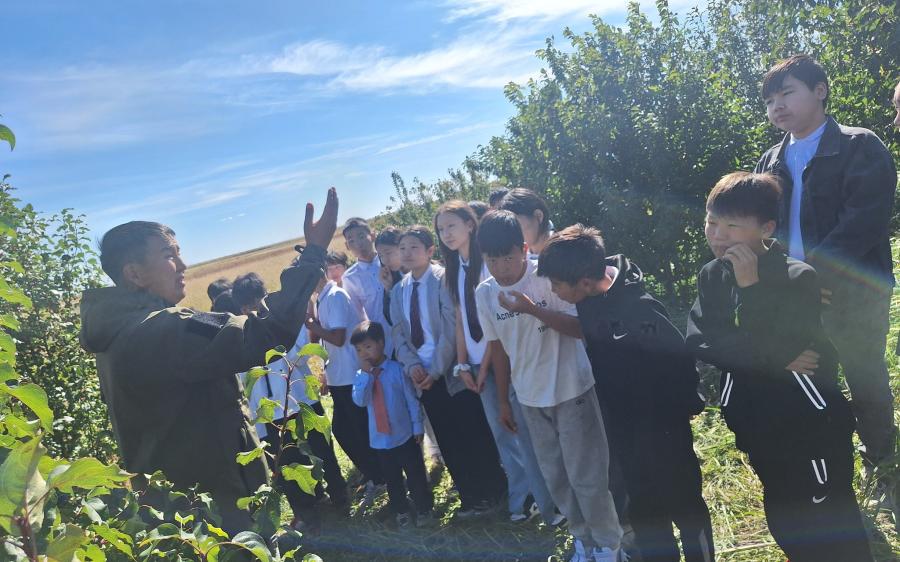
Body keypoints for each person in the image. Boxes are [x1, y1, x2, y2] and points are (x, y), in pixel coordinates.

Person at [79, 187, 338, 535]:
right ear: (134, 274)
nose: (183, 265)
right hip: (218, 514)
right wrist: (313, 254)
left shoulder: (115, 333)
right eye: (169, 255)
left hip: (179, 512)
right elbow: (265, 333)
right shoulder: (162, 329)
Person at [685, 172, 872, 561]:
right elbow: (701, 341)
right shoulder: (712, 275)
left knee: (830, 514)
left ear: (766, 228)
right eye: (711, 222)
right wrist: (769, 358)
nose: (717, 235)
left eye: (732, 226)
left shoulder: (797, 276)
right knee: (785, 515)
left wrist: (751, 289)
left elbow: (790, 345)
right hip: (755, 422)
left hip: (808, 425)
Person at [537, 224, 715, 562]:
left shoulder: (639, 309)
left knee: (685, 505)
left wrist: (684, 409)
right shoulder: (588, 300)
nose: (554, 290)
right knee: (645, 509)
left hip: (664, 428)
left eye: (557, 284)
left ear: (584, 282)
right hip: (623, 426)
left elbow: (678, 360)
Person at [755, 54, 897, 470]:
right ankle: (830, 463)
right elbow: (762, 228)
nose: (777, 106)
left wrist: (814, 274)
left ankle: (881, 460)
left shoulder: (859, 145)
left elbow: (864, 221)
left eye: (787, 93)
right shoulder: (770, 160)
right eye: (769, 100)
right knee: (813, 375)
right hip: (796, 291)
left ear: (820, 91)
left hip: (853, 290)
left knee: (863, 373)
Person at [474, 210, 623, 562]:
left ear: (524, 249)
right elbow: (498, 348)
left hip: (573, 390)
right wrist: (504, 401)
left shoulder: (548, 277)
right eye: (491, 260)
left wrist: (533, 310)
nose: (500, 268)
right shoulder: (485, 293)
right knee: (556, 477)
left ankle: (609, 544)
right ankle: (583, 541)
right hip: (530, 399)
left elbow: (581, 328)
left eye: (507, 257)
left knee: (587, 476)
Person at [434, 200, 560, 525]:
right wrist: (463, 364)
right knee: (503, 433)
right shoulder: (453, 268)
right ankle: (523, 497)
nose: (446, 234)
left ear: (470, 226)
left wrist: (487, 364)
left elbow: (498, 332)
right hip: (477, 364)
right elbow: (462, 318)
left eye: (452, 225)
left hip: (503, 361)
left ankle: (544, 500)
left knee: (527, 434)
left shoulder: (491, 263)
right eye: (441, 229)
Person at [390, 225, 507, 517]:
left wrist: (436, 369)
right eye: (402, 248)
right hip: (423, 378)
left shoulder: (444, 279)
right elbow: (398, 334)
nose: (407, 253)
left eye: (414, 247)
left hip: (452, 371)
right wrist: (413, 366)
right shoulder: (398, 290)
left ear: (430, 250)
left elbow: (451, 327)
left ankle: (493, 492)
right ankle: (470, 496)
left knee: (471, 432)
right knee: (447, 438)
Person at [245, 323, 348, 531]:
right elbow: (246, 381)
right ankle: (307, 510)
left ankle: (339, 496)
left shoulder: (284, 321)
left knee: (321, 449)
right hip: (271, 412)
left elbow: (301, 354)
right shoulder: (242, 334)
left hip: (301, 398)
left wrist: (277, 338)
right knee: (289, 462)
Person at [306, 270, 386, 507]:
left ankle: (380, 478)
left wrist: (310, 323)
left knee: (359, 431)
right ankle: (374, 475)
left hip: (350, 374)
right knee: (344, 431)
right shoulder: (321, 299)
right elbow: (315, 340)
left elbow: (339, 338)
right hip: (338, 376)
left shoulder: (336, 296)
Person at [351, 321, 434, 528]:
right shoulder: (361, 376)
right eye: (359, 350)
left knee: (415, 474)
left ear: (381, 343)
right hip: (381, 440)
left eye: (368, 347)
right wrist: (366, 376)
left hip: (404, 435)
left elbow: (411, 400)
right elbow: (360, 401)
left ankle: (424, 508)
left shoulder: (397, 370)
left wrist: (417, 426)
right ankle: (401, 511)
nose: (364, 354)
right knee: (392, 480)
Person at [342, 217, 394, 356]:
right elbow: (359, 316)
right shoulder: (349, 278)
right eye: (351, 241)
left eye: (361, 236)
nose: (358, 244)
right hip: (384, 343)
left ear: (372, 235)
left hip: (409, 331)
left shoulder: (391, 261)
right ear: (347, 246)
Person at [498, 188, 555, 260]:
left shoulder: (564, 252)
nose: (512, 234)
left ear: (538, 216)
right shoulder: (517, 259)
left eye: (517, 225)